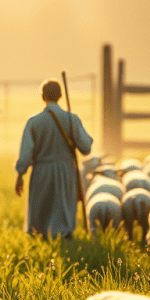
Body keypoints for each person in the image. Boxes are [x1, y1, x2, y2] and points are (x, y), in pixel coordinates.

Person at [15, 79, 93, 239]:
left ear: (42, 96)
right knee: (63, 207)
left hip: (41, 171)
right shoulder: (72, 119)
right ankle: (65, 238)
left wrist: (20, 174)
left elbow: (26, 154)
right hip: (66, 170)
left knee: (41, 209)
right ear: (61, 96)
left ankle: (41, 239)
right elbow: (86, 148)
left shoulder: (34, 122)